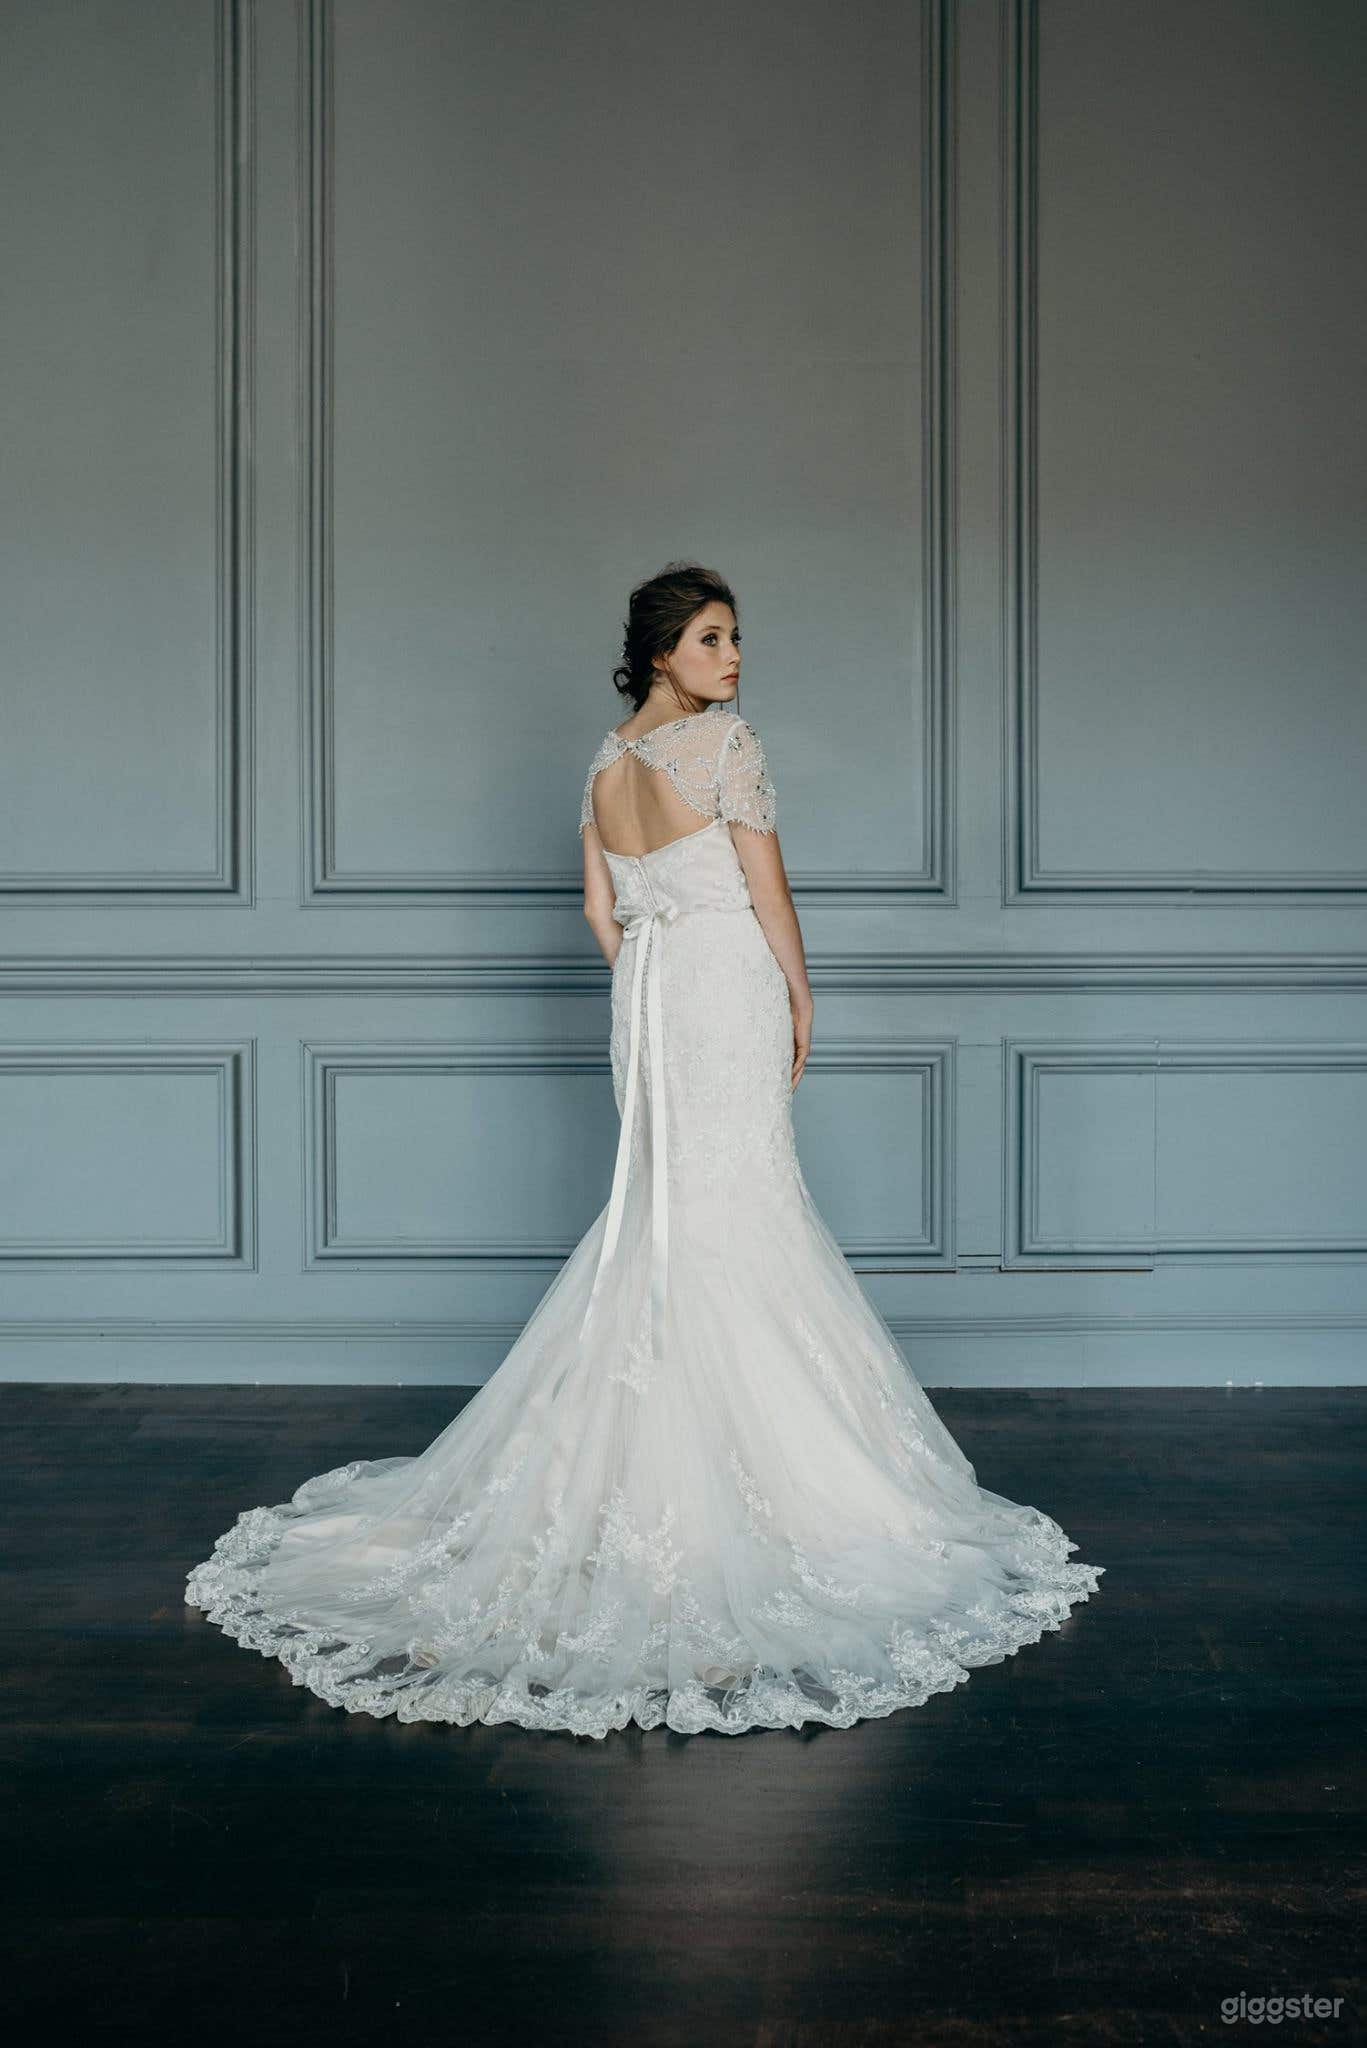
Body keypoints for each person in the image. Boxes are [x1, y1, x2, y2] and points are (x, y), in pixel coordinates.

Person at [185, 562, 1103, 1737]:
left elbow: (596, 914)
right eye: (713, 639)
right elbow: (768, 892)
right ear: (664, 650)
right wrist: (801, 992)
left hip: (649, 997)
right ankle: (764, 1491)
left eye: (734, 640)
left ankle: (635, 1459)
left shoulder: (603, 761)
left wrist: (648, 986)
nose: (733, 659)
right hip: (718, 980)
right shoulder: (723, 747)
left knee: (666, 1213)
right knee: (739, 1210)